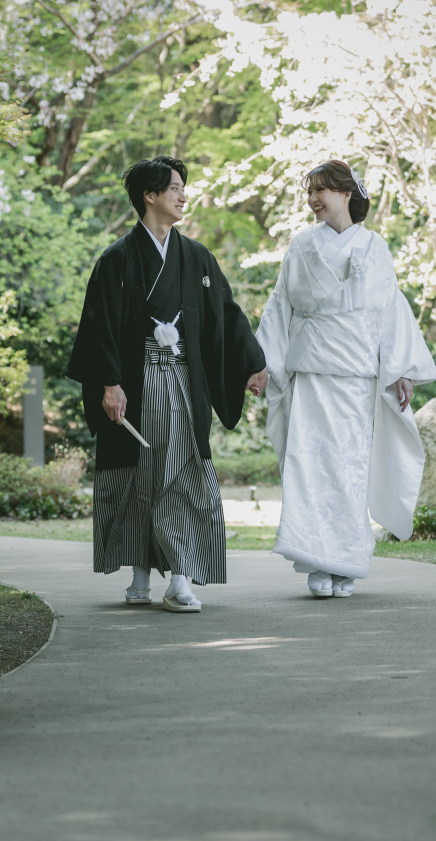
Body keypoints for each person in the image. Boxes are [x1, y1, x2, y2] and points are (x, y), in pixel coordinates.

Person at [67, 156, 267, 613]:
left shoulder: (195, 257)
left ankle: (179, 578)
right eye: (174, 187)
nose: (182, 195)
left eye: (182, 186)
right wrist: (109, 384)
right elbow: (98, 328)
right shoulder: (116, 259)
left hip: (181, 382)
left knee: (181, 471)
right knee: (139, 474)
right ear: (149, 196)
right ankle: (140, 576)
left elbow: (226, 315)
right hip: (134, 383)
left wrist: (252, 363)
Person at [257, 159, 436, 599]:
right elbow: (280, 306)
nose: (314, 200)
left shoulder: (374, 247)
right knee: (309, 466)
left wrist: (400, 371)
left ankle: (347, 563)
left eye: (322, 190)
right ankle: (318, 562)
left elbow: (390, 311)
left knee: (349, 470)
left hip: (357, 376)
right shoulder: (301, 245)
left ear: (345, 193)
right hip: (313, 373)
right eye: (310, 193)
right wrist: (263, 363)